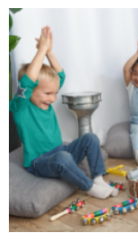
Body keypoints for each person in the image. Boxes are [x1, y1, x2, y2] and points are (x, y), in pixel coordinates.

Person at [10, 26, 116, 199]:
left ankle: (98, 178)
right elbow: (28, 81)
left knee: (91, 138)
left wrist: (49, 52)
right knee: (63, 158)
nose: (53, 99)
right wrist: (41, 51)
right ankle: (90, 187)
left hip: (62, 151)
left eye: (55, 93)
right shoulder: (21, 106)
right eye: (47, 94)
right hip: (40, 163)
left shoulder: (44, 98)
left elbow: (60, 76)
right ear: (29, 92)